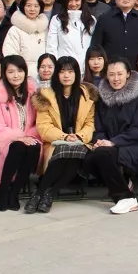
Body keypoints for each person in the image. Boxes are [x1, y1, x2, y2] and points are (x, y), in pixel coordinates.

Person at [27, 56, 97, 214]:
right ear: (56, 74)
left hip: (79, 141)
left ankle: (45, 194)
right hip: (54, 142)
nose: (66, 75)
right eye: (62, 71)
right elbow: (44, 126)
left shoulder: (87, 95)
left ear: (77, 74)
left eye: (70, 71)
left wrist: (79, 136)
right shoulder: (46, 95)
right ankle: (42, 195)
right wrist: (64, 137)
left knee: (75, 153)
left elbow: (90, 123)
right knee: (65, 151)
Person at [0, 55, 42, 212]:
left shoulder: (33, 95)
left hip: (30, 137)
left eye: (19, 71)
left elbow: (39, 123)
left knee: (34, 148)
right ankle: (3, 191)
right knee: (17, 146)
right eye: (11, 72)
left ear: (25, 72)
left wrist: (28, 136)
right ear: (5, 74)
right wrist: (19, 137)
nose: (16, 75)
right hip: (7, 140)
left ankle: (15, 192)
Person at [47, 0, 97, 73]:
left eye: (77, 0)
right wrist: (55, 65)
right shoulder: (57, 19)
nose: (73, 4)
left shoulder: (91, 20)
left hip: (87, 68)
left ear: (82, 1)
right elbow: (52, 46)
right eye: (70, 0)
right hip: (65, 68)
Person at [2, 0, 49, 69]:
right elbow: (10, 53)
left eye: (36, 6)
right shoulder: (15, 30)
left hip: (44, 71)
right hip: (22, 71)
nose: (32, 9)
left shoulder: (45, 29)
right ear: (23, 7)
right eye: (28, 5)